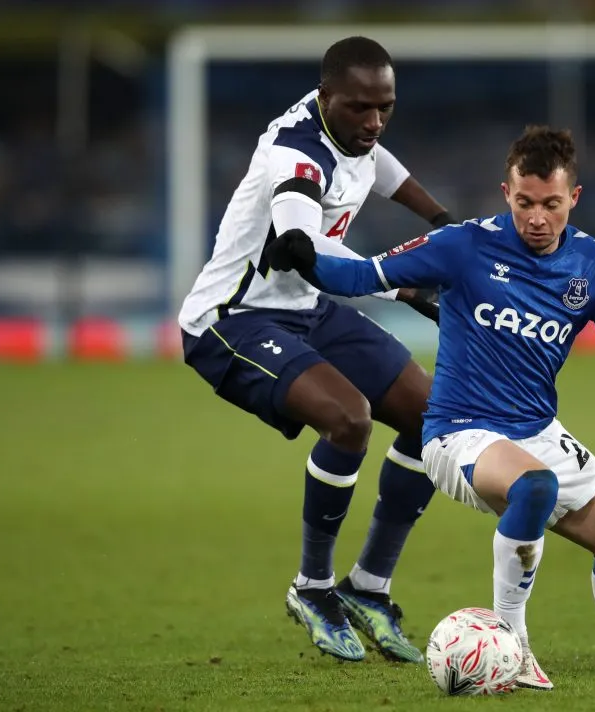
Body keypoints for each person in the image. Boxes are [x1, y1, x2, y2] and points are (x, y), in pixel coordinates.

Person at [263, 125, 595, 688]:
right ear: (506, 193)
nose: (536, 217)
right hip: (458, 431)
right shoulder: (464, 245)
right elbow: (365, 275)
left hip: (535, 430)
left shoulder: (592, 266)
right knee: (534, 487)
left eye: (551, 204)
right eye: (525, 202)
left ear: (572, 200)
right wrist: (306, 256)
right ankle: (511, 646)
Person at [177, 36, 455, 664]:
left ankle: (369, 588)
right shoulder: (293, 154)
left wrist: (440, 219)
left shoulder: (348, 125)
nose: (374, 122)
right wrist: (402, 283)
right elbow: (304, 240)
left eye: (385, 107)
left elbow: (377, 163)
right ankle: (313, 588)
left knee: (432, 415)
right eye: (361, 108)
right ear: (326, 98)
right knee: (348, 417)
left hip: (307, 306)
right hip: (233, 319)